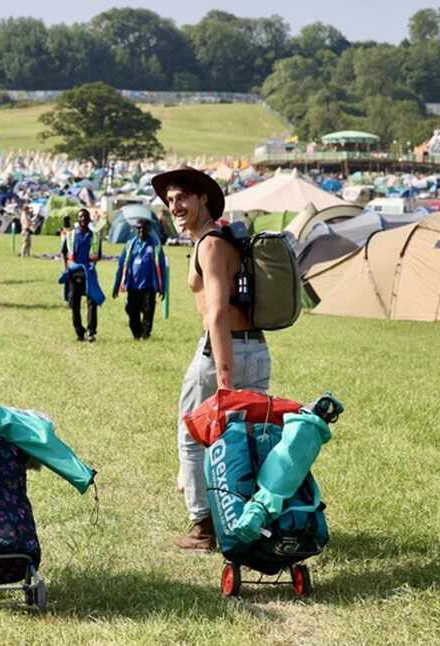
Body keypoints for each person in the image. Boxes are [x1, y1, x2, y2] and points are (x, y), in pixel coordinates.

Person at [152, 167, 271, 551]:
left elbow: (217, 313)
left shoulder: (210, 244)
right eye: (170, 201)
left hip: (223, 350)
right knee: (250, 437)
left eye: (183, 197)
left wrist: (224, 378)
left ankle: (204, 528)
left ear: (203, 198)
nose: (176, 206)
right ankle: (250, 519)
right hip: (255, 348)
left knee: (192, 434)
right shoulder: (221, 239)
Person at [111, 219, 167, 339]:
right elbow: (121, 266)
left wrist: (163, 288)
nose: (141, 230)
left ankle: (146, 335)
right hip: (133, 285)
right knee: (131, 311)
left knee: (148, 312)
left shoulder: (155, 245)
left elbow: (162, 266)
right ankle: (137, 333)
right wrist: (116, 286)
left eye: (144, 228)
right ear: (136, 229)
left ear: (149, 229)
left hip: (149, 286)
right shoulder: (130, 245)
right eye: (139, 228)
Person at [60, 208, 103, 342]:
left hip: (89, 274)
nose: (83, 219)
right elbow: (63, 252)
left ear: (89, 219)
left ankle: (91, 331)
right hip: (74, 273)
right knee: (75, 304)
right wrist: (66, 268)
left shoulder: (95, 236)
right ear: (77, 220)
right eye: (80, 217)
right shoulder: (71, 235)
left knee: (92, 302)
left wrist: (92, 265)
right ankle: (79, 331)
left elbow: (98, 255)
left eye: (85, 217)